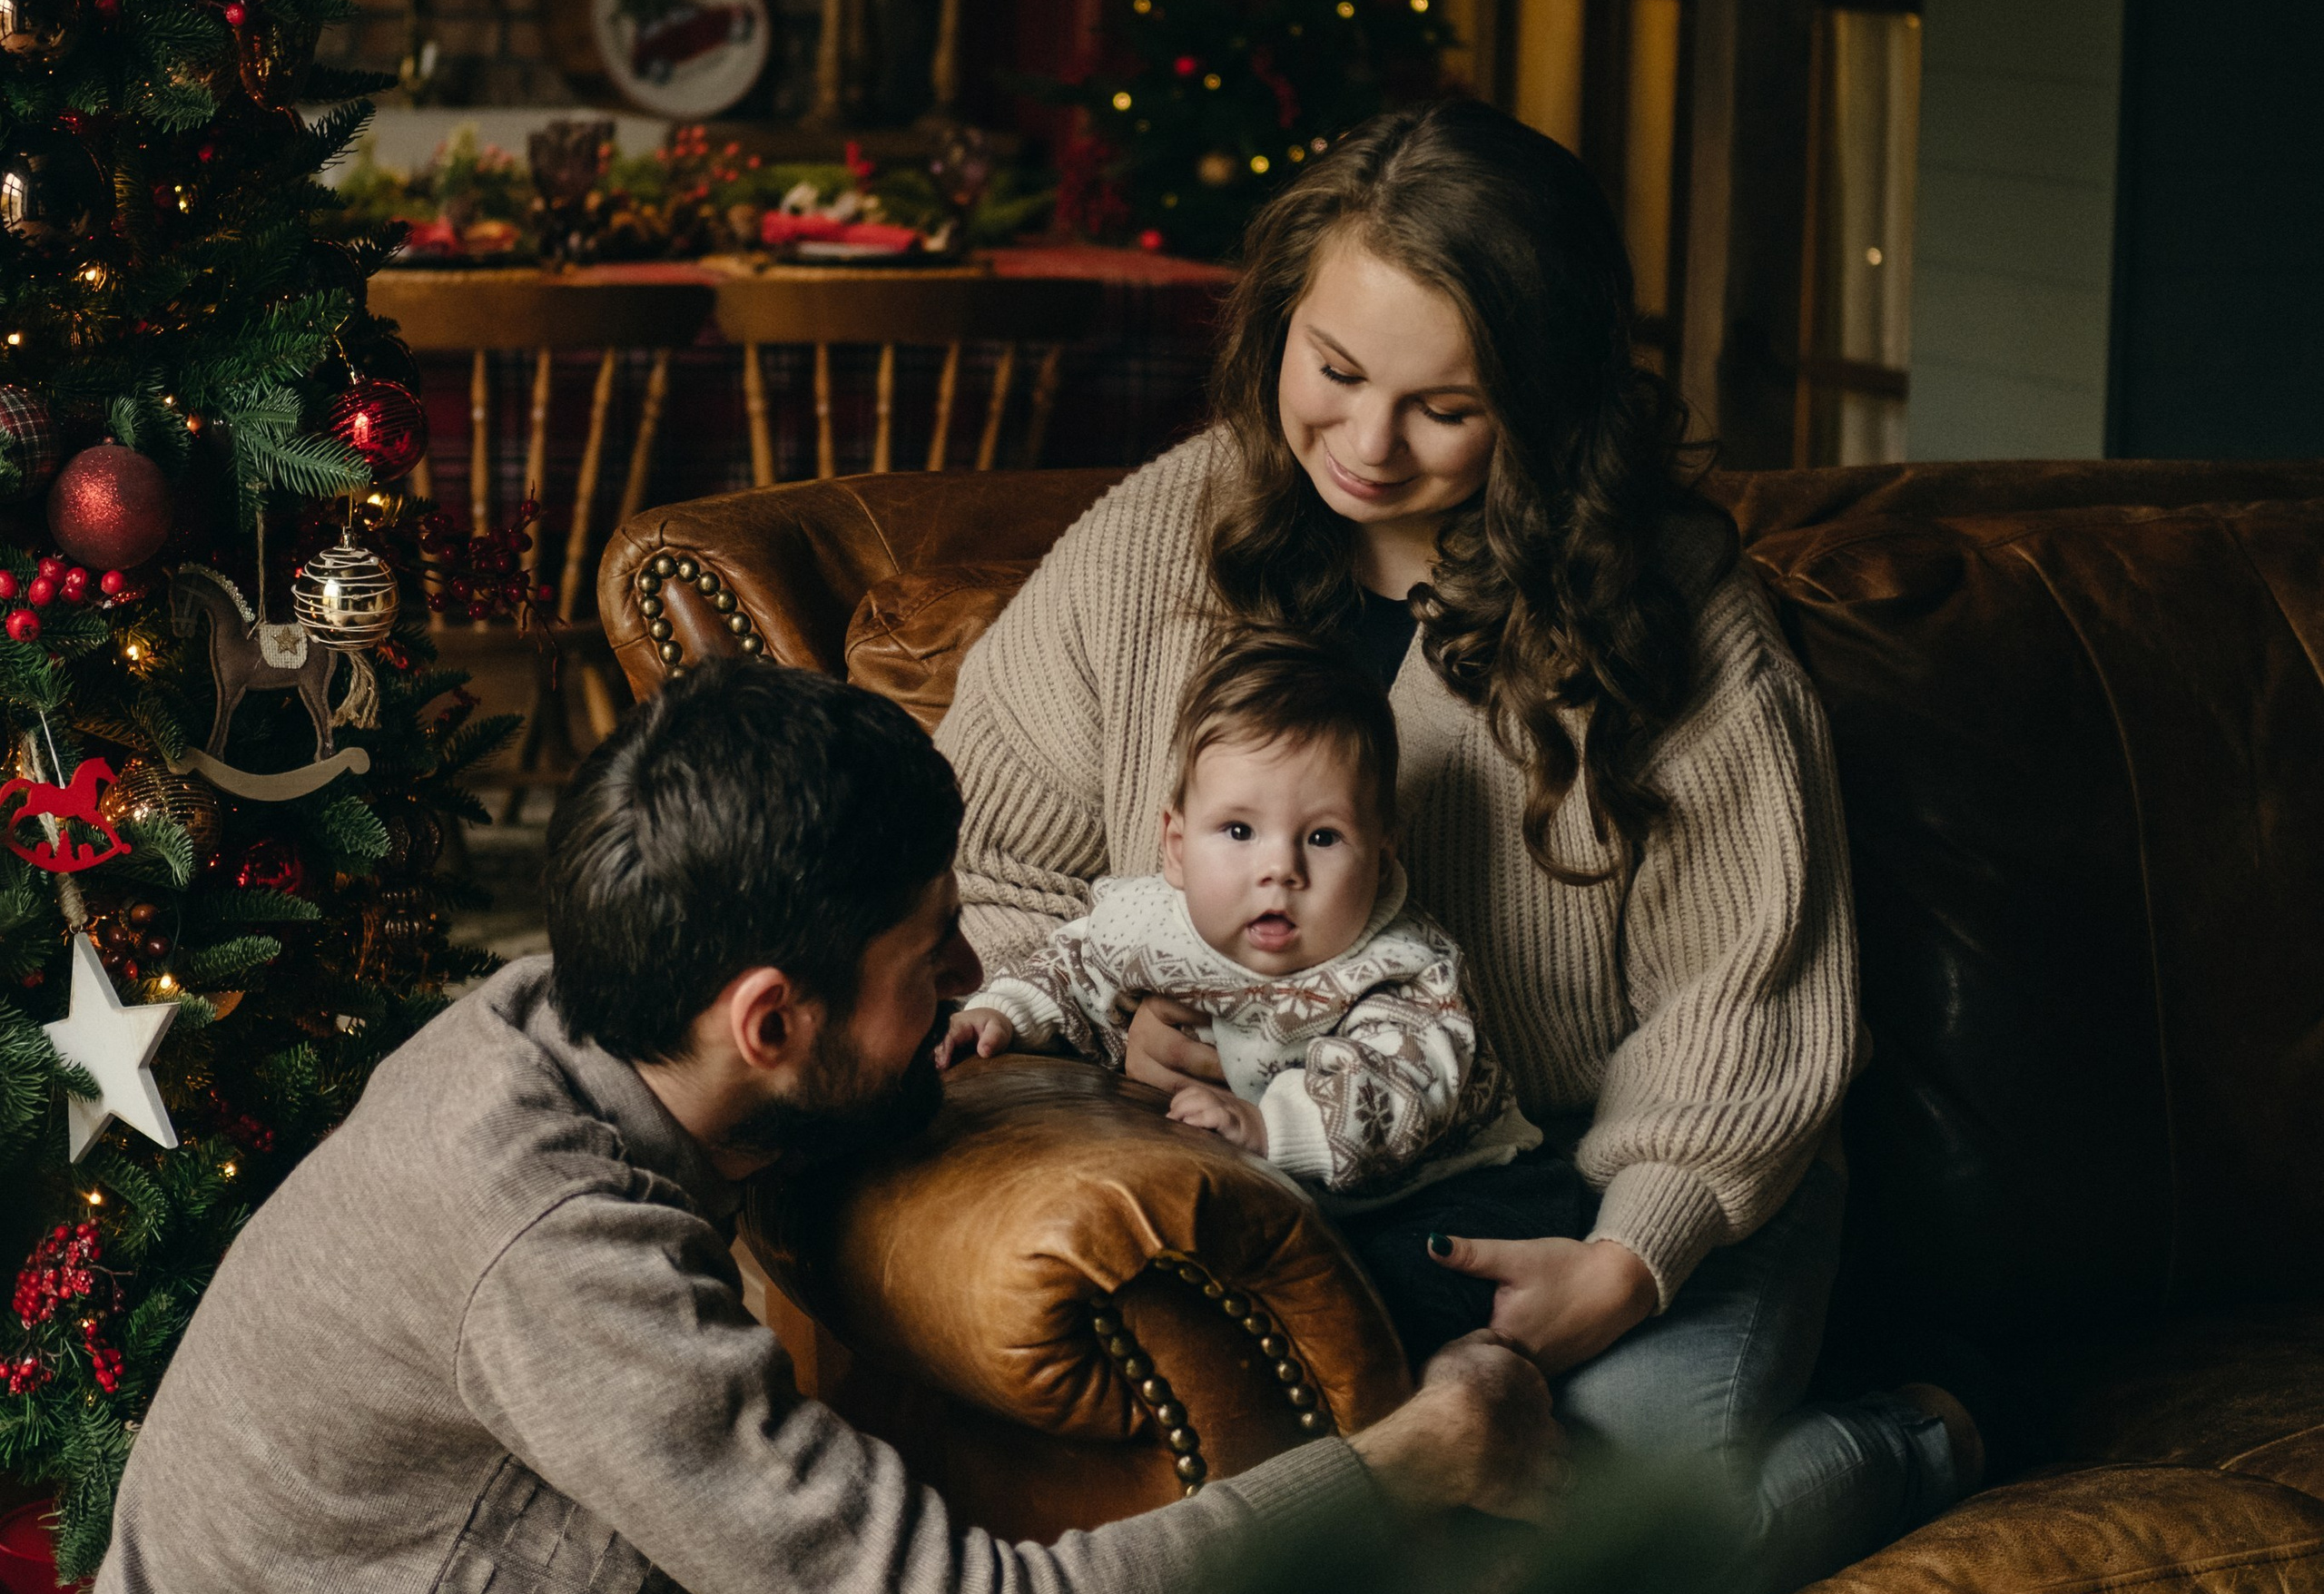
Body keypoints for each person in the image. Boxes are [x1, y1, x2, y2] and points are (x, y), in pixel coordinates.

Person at [937, 101, 1982, 1594]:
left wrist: (1632, 1260)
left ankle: (1918, 1438)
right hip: (1326, 1181)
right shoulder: (1160, 534)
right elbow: (990, 859)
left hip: (1657, 1174)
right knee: (1392, 1541)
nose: (1365, 446)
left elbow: (1745, 996)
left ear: (1545, 407)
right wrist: (1110, 1036)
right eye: (1336, 370)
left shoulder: (1674, 616)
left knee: (1580, 1557)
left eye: (1447, 407)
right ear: (1280, 323)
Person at [96, 658, 1563, 1594]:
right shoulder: (554, 1253)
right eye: (929, 949)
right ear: (771, 1025)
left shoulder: (583, 1014)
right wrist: (1412, 1461)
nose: (973, 977)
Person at [940, 629, 1590, 1361]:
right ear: (1177, 847)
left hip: (1455, 1184)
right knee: (1211, 1295)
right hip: (1296, 1200)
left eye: (1322, 838)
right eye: (1240, 830)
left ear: (1382, 857)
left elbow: (1401, 1089)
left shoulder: (1401, 964)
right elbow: (1074, 964)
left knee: (1388, 1301)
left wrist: (1266, 1126)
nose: (1279, 868)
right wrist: (1002, 1013)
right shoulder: (1153, 924)